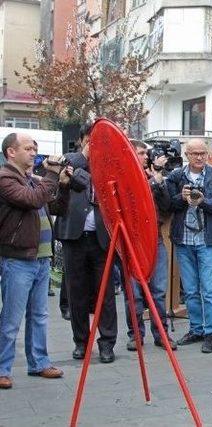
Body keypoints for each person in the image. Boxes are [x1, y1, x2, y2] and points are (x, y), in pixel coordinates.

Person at [0, 133, 71, 389]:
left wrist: (61, 185)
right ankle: (2, 368)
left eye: (35, 148)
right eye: (28, 148)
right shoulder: (6, 178)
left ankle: (39, 362)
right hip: (18, 258)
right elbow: (32, 200)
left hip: (41, 258)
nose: (33, 153)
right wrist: (52, 174)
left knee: (39, 315)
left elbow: (56, 209)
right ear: (11, 152)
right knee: (11, 318)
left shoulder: (34, 180)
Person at [54, 123, 118, 364]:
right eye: (90, 140)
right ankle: (81, 342)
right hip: (74, 236)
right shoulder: (71, 160)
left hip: (102, 239)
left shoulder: (109, 165)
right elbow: (69, 169)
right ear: (81, 140)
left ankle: (107, 343)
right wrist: (86, 156)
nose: (94, 145)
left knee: (106, 295)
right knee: (76, 292)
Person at [166, 139, 212, 353]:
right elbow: (168, 205)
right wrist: (181, 198)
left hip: (208, 240)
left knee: (209, 290)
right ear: (187, 154)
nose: (199, 157)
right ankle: (196, 329)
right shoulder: (176, 176)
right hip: (184, 240)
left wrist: (203, 201)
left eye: (203, 152)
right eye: (195, 153)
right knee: (191, 290)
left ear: (207, 153)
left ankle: (210, 332)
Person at [124, 141, 177, 352]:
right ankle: (135, 336)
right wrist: (154, 183)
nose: (146, 157)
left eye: (146, 153)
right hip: (132, 241)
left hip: (154, 238)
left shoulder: (154, 176)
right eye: (141, 153)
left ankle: (161, 334)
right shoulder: (125, 177)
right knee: (134, 294)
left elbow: (167, 207)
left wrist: (160, 183)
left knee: (158, 291)